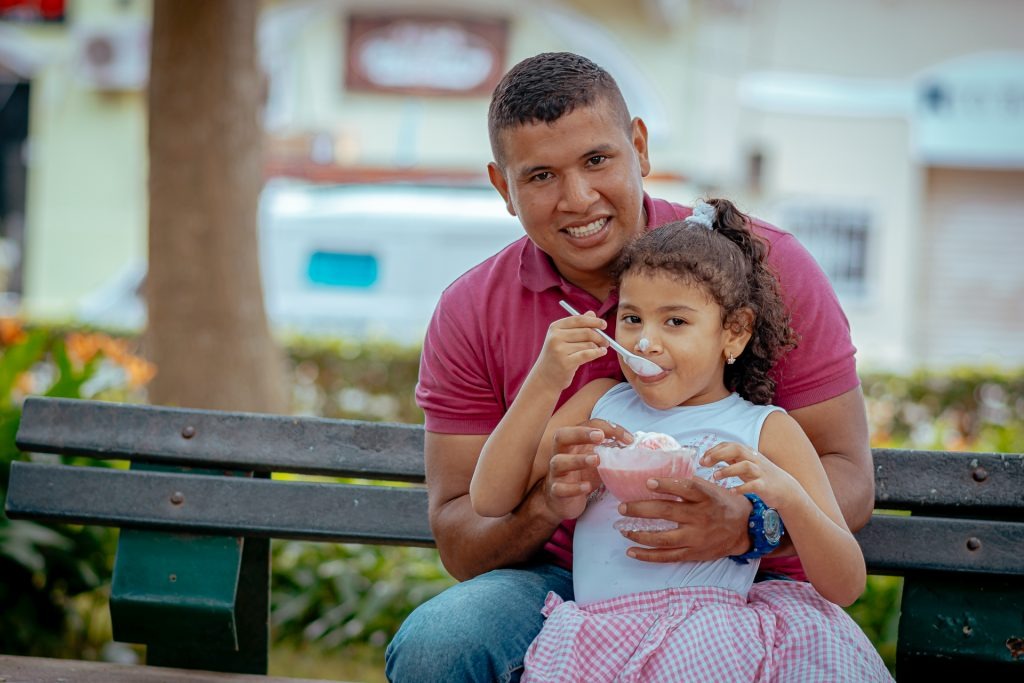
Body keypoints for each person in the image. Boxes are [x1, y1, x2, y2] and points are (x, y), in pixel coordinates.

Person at [385, 52, 874, 683]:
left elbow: (848, 478)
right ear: (503, 187)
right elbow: (464, 527)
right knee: (440, 643)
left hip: (744, 590)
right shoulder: (475, 312)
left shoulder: (760, 268)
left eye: (597, 160)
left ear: (638, 147)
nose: (577, 198)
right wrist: (551, 503)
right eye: (539, 175)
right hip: (571, 590)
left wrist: (748, 525)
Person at [469, 200, 892, 681]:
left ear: (734, 333)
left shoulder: (765, 430)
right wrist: (545, 382)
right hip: (598, 647)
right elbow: (488, 498)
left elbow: (845, 583)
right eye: (632, 319)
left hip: (710, 647)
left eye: (675, 321)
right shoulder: (598, 402)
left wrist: (785, 496)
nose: (645, 342)